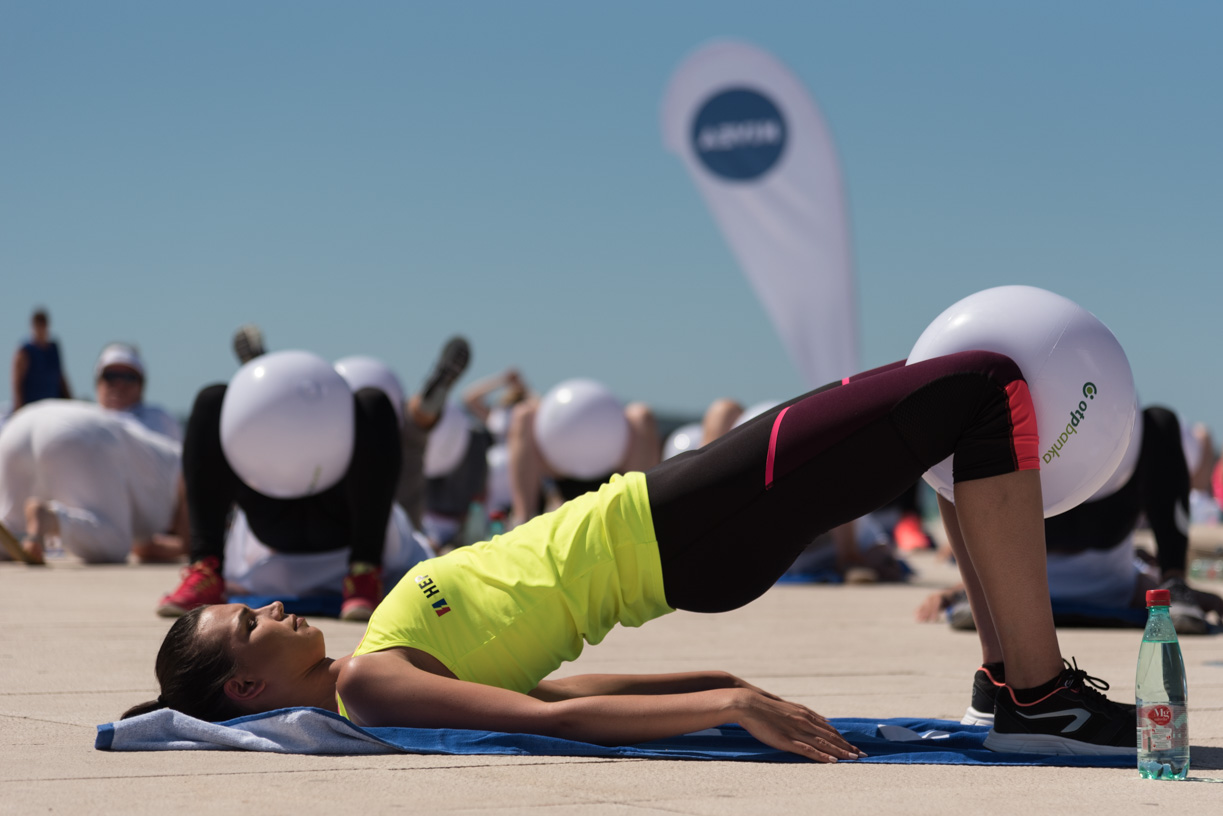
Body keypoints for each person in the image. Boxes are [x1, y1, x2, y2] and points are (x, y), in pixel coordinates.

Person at [127, 351, 1137, 759]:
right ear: (249, 686)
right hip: (675, 529)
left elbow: (559, 691)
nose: (268, 605)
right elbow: (546, 723)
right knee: (974, 390)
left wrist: (720, 683)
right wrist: (726, 707)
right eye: (248, 623)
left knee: (954, 411)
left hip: (675, 520)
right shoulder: (371, 687)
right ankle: (1034, 692)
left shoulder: (377, 667)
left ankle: (1015, 683)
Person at [159, 340, 470, 622]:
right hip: (277, 505)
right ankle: (205, 567)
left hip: (345, 530)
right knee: (213, 401)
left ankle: (364, 570)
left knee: (372, 404)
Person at [917, 405, 1223, 643]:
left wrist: (964, 588)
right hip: (1099, 583)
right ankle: (1174, 582)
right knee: (1160, 422)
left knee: (993, 420)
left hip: (1011, 590)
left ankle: (1174, 585)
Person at [0, 400, 186, 565]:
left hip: (19, 425)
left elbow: (146, 548)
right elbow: (192, 531)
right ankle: (52, 519)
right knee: (115, 543)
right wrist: (189, 545)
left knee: (12, 529)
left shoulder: (158, 454)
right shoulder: (183, 462)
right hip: (79, 433)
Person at [507, 384, 661, 527]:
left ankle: (643, 519)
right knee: (523, 414)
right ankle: (522, 520)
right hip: (556, 467)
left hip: (615, 470)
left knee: (641, 415)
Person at [93, 343, 182, 441]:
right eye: (111, 376)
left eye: (128, 377)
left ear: (141, 385)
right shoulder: (85, 419)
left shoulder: (162, 421)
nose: (119, 384)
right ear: (98, 382)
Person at [10, 308, 71, 412]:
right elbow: (17, 382)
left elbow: (60, 377)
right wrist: (19, 408)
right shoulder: (24, 351)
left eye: (43, 325)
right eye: (37, 325)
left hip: (53, 405)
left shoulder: (53, 349)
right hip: (32, 408)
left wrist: (70, 400)